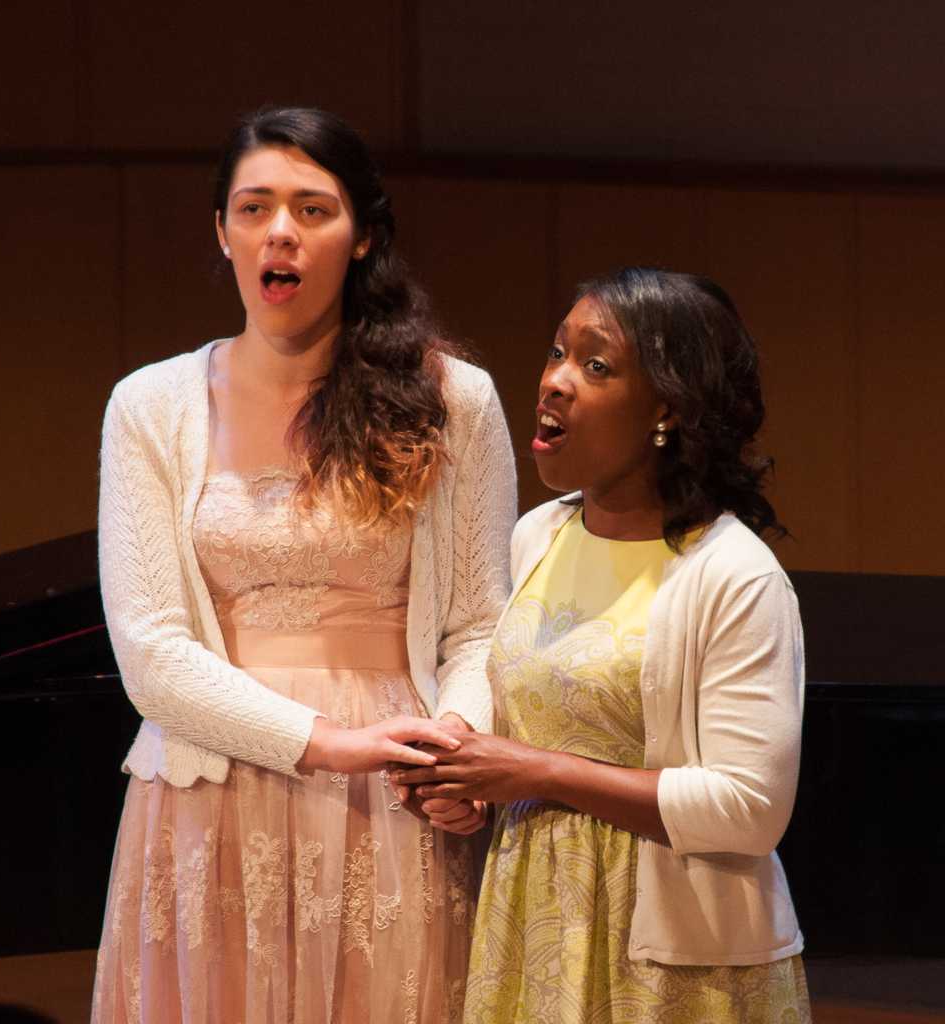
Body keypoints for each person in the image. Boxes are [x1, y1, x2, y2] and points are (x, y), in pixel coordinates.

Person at [92, 106, 515, 1024]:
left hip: (393, 790)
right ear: (222, 230)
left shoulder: (456, 400)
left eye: (313, 209)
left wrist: (454, 748)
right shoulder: (149, 405)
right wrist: (326, 744)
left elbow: (483, 619)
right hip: (207, 791)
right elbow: (152, 650)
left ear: (361, 237)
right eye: (255, 208)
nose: (280, 232)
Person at [396, 268, 812, 1023]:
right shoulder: (538, 535)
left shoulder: (733, 574)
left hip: (677, 961)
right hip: (534, 923)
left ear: (667, 409)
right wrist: (466, 782)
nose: (554, 382)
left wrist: (534, 772)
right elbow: (527, 726)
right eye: (557, 353)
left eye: (594, 365)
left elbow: (750, 808)